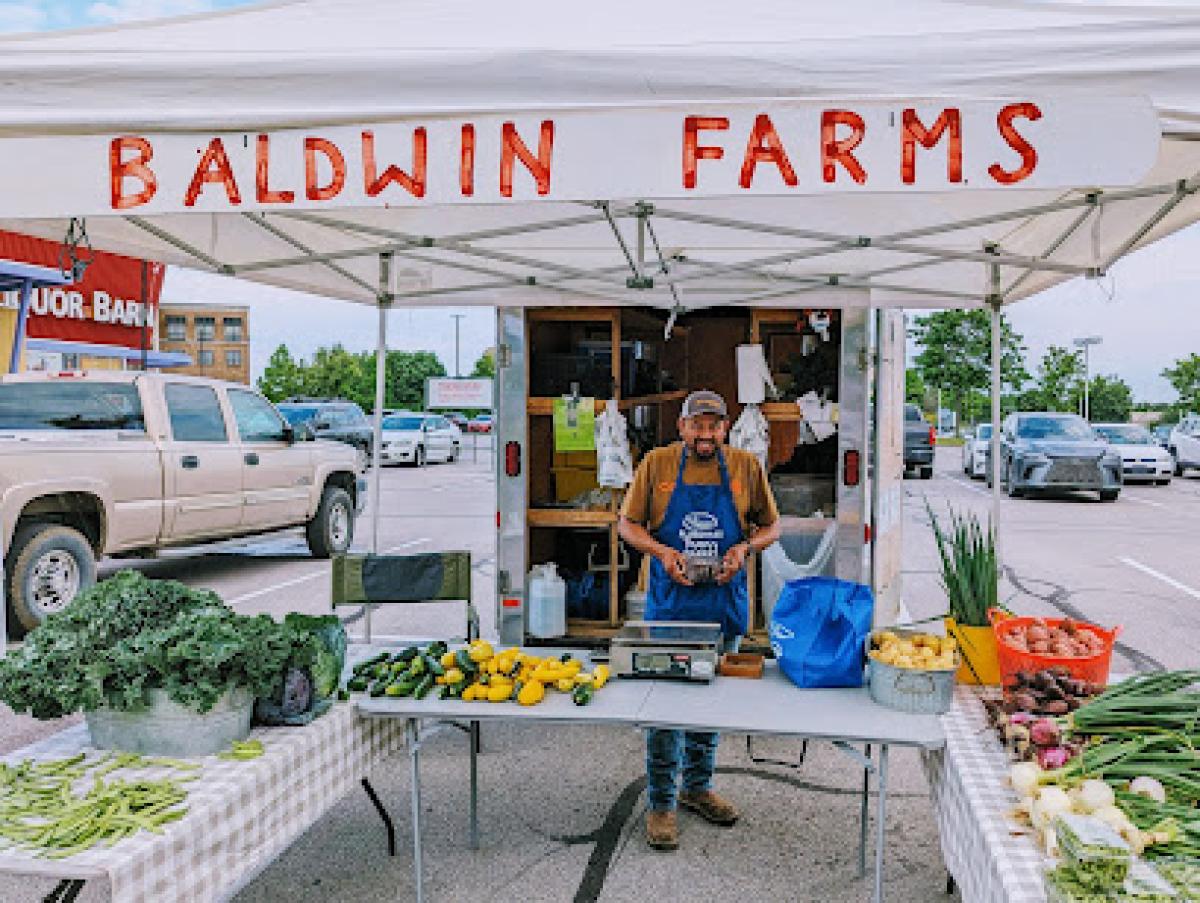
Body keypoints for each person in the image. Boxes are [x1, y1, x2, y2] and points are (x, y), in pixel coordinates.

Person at [617, 390, 781, 851]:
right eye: (697, 424)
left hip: (723, 605)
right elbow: (627, 525)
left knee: (710, 704)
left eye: (714, 425)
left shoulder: (746, 466)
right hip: (671, 608)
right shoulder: (657, 464)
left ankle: (697, 787)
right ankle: (662, 802)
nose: (705, 434)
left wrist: (744, 549)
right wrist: (662, 553)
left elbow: (773, 526)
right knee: (665, 710)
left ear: (724, 427)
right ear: (682, 427)